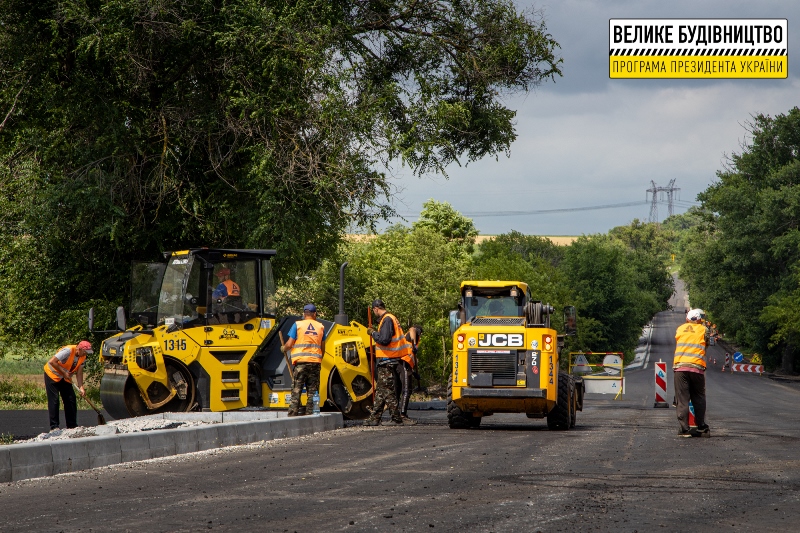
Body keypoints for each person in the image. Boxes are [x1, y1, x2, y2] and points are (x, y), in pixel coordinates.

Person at [364, 299, 415, 426]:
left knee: (387, 390)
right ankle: (374, 418)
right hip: (388, 359)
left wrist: (373, 333)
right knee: (381, 390)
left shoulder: (387, 319)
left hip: (387, 359)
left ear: (376, 309)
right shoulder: (391, 318)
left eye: (374, 310)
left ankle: (397, 418)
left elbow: (384, 339)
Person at [282, 304, 325, 416]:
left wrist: (283, 348)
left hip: (300, 363)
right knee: (312, 391)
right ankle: (310, 414)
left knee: (297, 389)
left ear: (304, 314)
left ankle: (293, 413)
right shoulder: (320, 327)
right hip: (315, 363)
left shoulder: (298, 325)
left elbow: (290, 344)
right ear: (314, 314)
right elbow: (322, 347)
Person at [673, 308, 711, 438]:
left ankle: (684, 429)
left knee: (682, 399)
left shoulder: (680, 329)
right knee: (699, 397)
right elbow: (706, 344)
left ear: (687, 319)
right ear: (699, 319)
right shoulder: (703, 329)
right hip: (697, 367)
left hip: (680, 367)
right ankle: (700, 426)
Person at [44, 341, 92, 430]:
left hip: (65, 377)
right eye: (85, 352)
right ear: (80, 349)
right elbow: (52, 362)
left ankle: (72, 426)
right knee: (54, 400)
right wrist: (64, 372)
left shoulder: (83, 357)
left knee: (70, 399)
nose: (86, 354)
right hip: (52, 375)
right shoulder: (68, 351)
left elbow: (79, 373)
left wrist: (81, 387)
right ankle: (54, 427)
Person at [396, 324, 423, 421]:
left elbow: (413, 359)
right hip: (403, 363)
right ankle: (402, 414)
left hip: (406, 366)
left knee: (406, 389)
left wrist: (414, 373)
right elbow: (412, 329)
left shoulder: (415, 341)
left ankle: (400, 414)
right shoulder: (413, 332)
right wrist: (414, 344)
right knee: (406, 390)